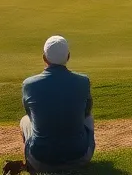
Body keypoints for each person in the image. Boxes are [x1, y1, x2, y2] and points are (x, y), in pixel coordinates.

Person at [19, 36, 93, 172]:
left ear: (44, 58)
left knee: (25, 120)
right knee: (89, 118)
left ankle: (30, 164)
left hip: (40, 160)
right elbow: (87, 112)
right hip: (80, 158)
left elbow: (29, 113)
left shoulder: (29, 84)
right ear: (68, 56)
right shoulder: (83, 81)